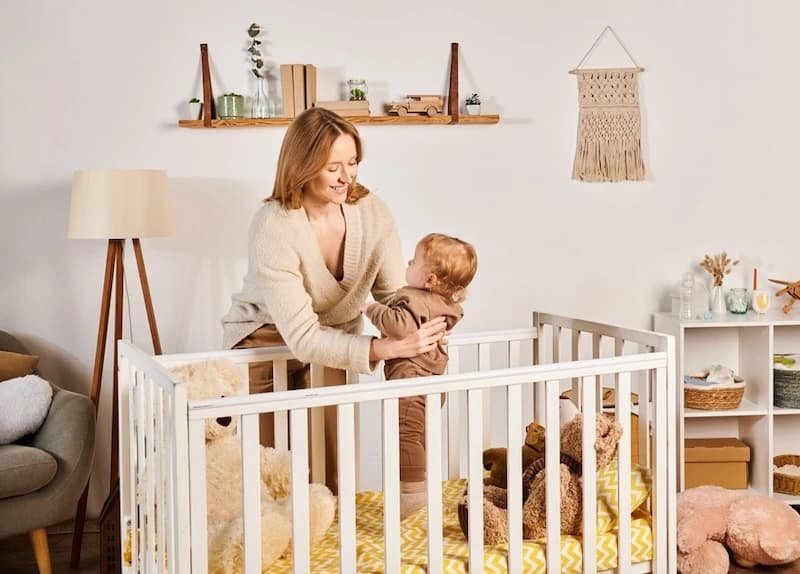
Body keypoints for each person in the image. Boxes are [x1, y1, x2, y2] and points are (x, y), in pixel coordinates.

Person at [221, 107, 447, 492]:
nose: (347, 177)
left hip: (337, 337)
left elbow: (393, 296)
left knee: (331, 469)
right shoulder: (274, 224)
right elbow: (303, 338)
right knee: (266, 474)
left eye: (353, 162)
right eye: (333, 167)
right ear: (303, 166)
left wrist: (423, 331)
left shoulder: (373, 213)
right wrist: (383, 349)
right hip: (265, 339)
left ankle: (329, 546)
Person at [362, 233, 478, 518]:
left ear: (430, 280)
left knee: (407, 435)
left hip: (411, 381)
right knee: (418, 436)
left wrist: (371, 308)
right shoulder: (445, 305)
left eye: (415, 260)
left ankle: (412, 493)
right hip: (432, 381)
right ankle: (418, 488)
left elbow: (398, 326)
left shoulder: (414, 299)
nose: (408, 262)